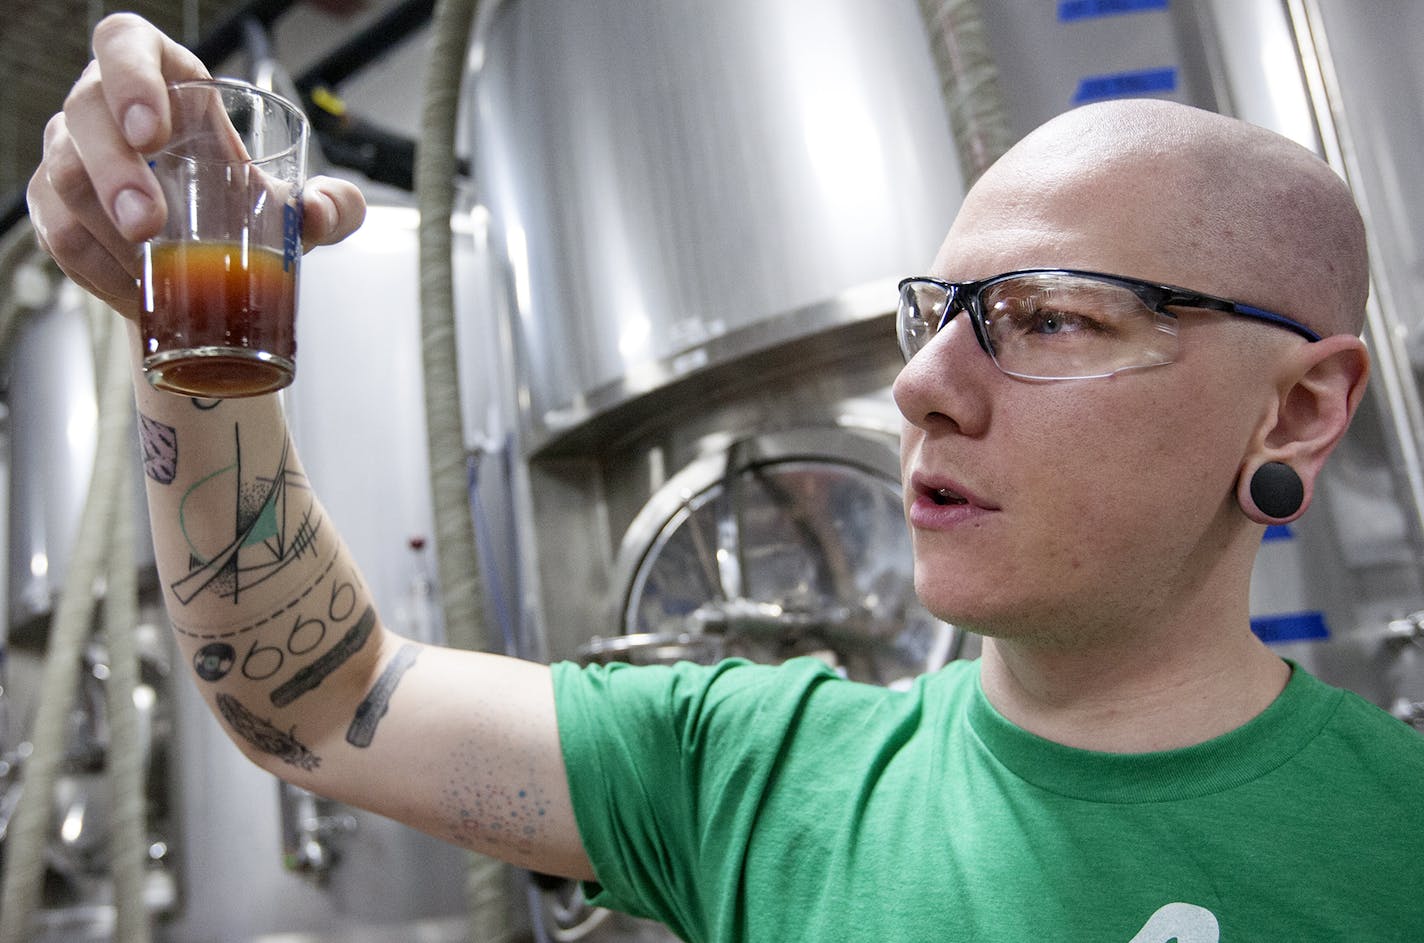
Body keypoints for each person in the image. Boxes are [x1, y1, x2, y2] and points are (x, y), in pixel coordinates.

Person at [27, 13, 1424, 942]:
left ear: (1298, 409)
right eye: (930, 315)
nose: (924, 383)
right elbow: (315, 699)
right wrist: (194, 324)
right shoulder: (753, 772)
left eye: (1052, 316)